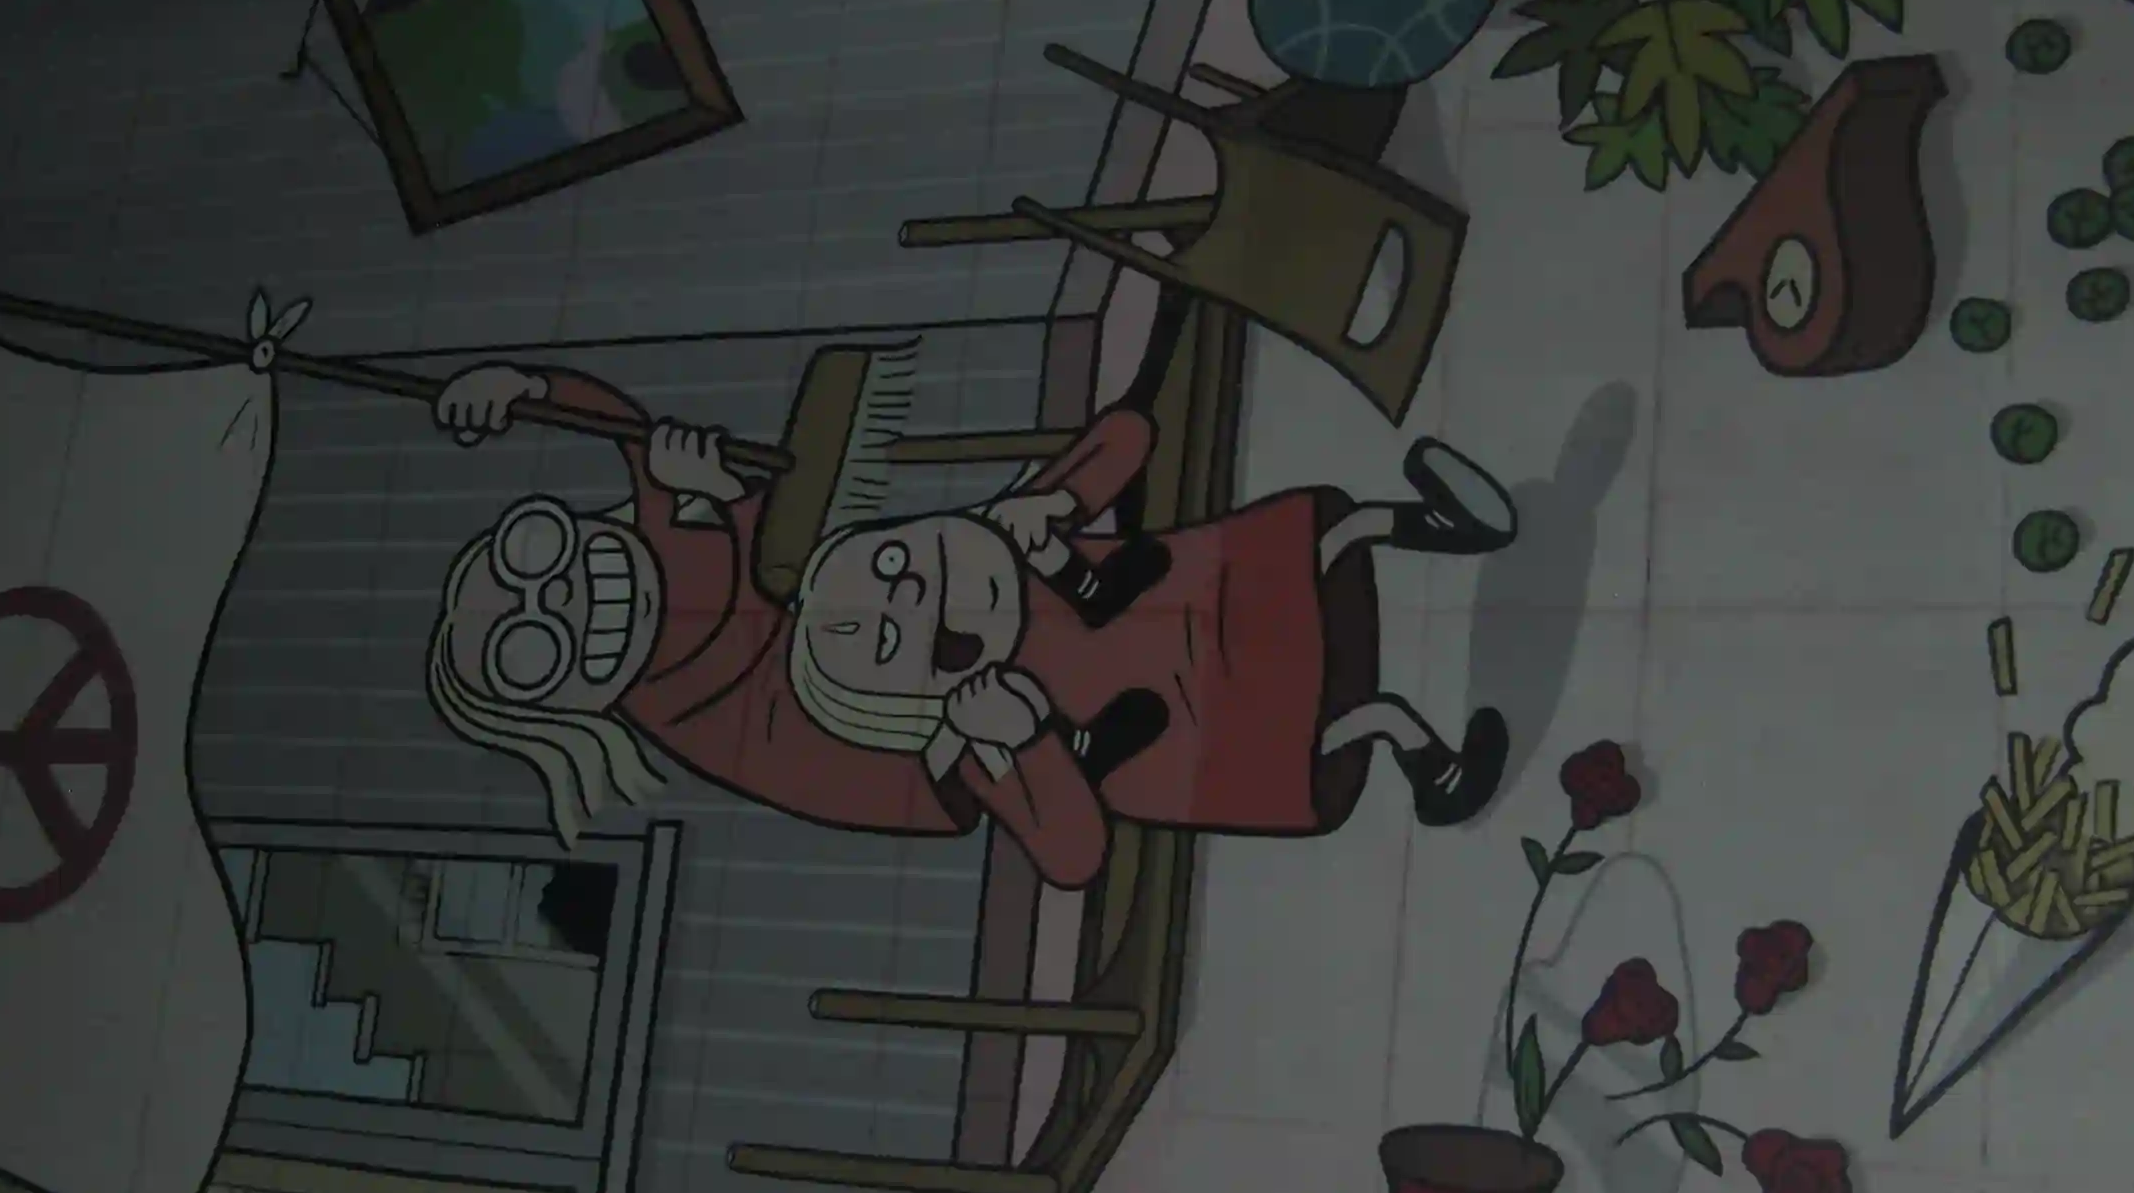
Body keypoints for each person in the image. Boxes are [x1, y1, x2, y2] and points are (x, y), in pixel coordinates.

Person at [422, 360, 1515, 890]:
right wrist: (1000, 735)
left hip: (1017, 612)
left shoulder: (663, 543)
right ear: (563, 697)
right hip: (1008, 706)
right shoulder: (698, 704)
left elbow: (627, 435)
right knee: (1236, 709)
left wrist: (523, 385)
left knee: (1222, 555)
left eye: (535, 555)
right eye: (532, 642)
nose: (563, 593)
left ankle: (1419, 524)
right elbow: (917, 781)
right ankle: (1419, 751)